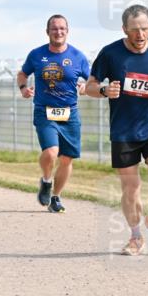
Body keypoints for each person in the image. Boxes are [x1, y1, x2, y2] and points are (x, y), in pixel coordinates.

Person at [85, 4, 148, 256]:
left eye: (145, 29)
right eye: (135, 30)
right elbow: (90, 86)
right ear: (124, 29)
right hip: (123, 131)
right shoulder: (110, 54)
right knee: (131, 188)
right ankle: (136, 237)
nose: (140, 35)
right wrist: (105, 90)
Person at [16, 14, 90, 214]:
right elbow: (22, 73)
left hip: (70, 113)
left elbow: (92, 79)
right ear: (47, 31)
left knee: (67, 159)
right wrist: (23, 88)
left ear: (67, 31)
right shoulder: (37, 55)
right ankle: (46, 180)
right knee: (51, 152)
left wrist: (85, 86)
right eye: (54, 29)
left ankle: (55, 197)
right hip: (44, 111)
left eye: (62, 29)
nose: (58, 32)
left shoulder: (78, 56)